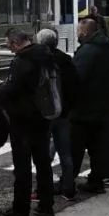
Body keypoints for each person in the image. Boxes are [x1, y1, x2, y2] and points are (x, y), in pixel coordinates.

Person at [0, 28, 57, 216]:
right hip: (43, 115)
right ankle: (46, 205)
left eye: (10, 46)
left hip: (23, 118)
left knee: (22, 166)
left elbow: (13, 88)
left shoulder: (23, 60)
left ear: (16, 43)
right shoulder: (45, 56)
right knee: (42, 163)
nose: (11, 50)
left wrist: (1, 89)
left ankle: (20, 209)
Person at [70, 18, 109, 195]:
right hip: (104, 105)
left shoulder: (87, 51)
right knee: (98, 147)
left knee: (75, 147)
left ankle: (68, 182)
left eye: (79, 30)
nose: (77, 33)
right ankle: (97, 180)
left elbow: (76, 78)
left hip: (84, 108)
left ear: (84, 32)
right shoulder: (108, 48)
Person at [38, 29, 80, 201]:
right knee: (65, 153)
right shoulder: (66, 60)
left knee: (43, 154)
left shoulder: (40, 61)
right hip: (63, 113)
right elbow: (75, 85)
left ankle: (43, 188)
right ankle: (68, 188)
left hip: (46, 114)